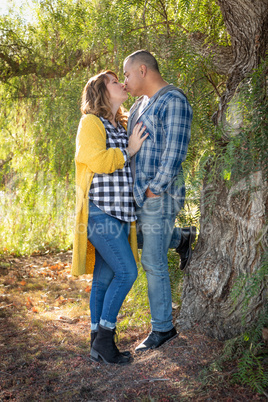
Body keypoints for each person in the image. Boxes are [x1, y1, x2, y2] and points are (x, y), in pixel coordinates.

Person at [71, 70, 148, 365]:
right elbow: (98, 161)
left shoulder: (118, 124)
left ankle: (96, 343)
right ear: (102, 91)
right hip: (99, 212)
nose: (121, 83)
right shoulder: (91, 122)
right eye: (115, 81)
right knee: (127, 272)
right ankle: (105, 339)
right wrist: (129, 150)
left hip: (119, 213)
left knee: (104, 279)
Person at [123, 50, 195, 352]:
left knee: (152, 262)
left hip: (160, 194)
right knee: (131, 240)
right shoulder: (139, 105)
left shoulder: (173, 100)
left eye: (126, 75)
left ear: (142, 70)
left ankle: (163, 329)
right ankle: (182, 239)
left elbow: (174, 153)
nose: (124, 81)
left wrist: (156, 188)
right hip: (139, 194)